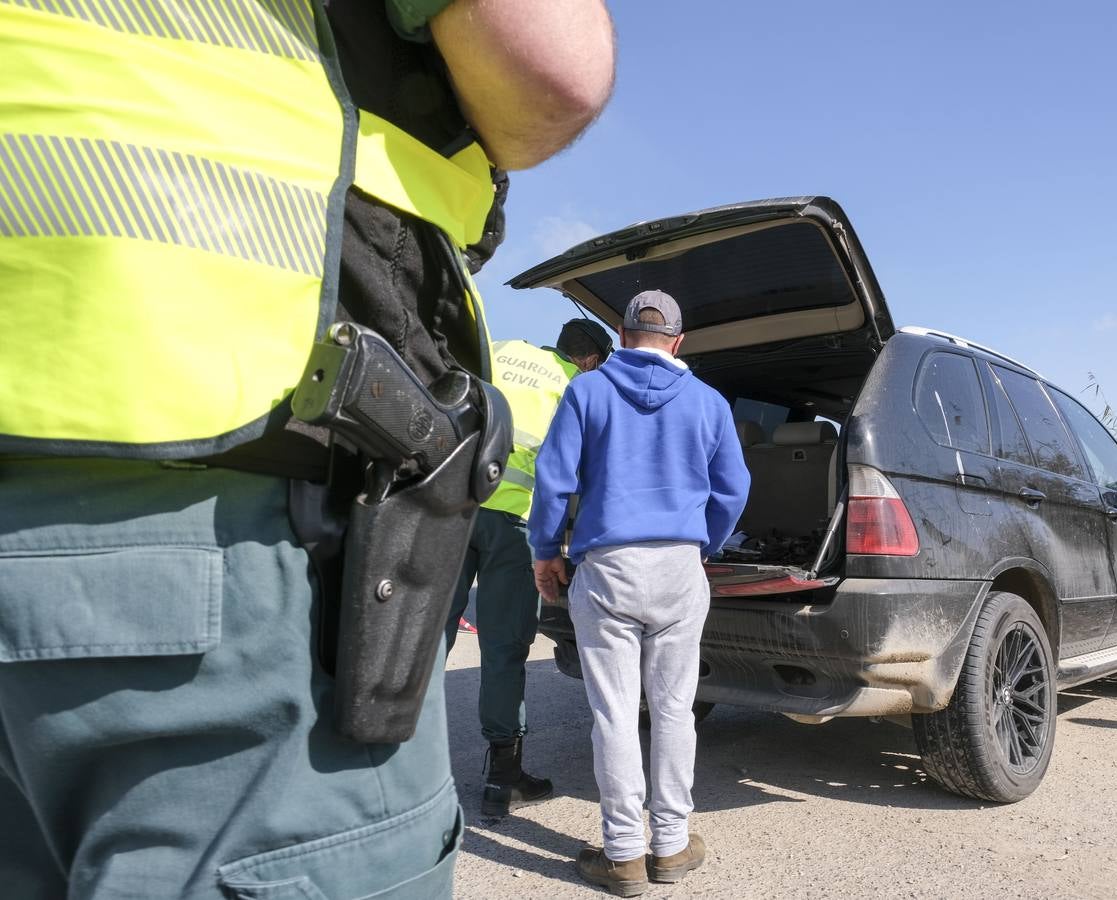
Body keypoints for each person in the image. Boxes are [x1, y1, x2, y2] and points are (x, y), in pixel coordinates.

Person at [0, 1, 614, 897]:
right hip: (240, 467)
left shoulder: (540, 365)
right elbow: (555, 72)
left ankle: (501, 766)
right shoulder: (592, 388)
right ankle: (528, 772)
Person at [530, 291, 751, 896]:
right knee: (675, 708)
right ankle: (673, 846)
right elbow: (733, 488)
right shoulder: (708, 403)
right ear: (679, 343)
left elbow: (553, 482)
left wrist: (545, 552)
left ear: (622, 336)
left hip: (608, 566)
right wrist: (700, 543)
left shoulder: (588, 391)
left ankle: (624, 854)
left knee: (616, 711)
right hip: (680, 568)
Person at [445, 318, 613, 817]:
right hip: (514, 525)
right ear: (588, 361)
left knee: (426, 640)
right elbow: (577, 475)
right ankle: (503, 778)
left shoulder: (498, 351)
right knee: (502, 648)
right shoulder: (573, 391)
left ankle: (401, 765)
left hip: (451, 513)